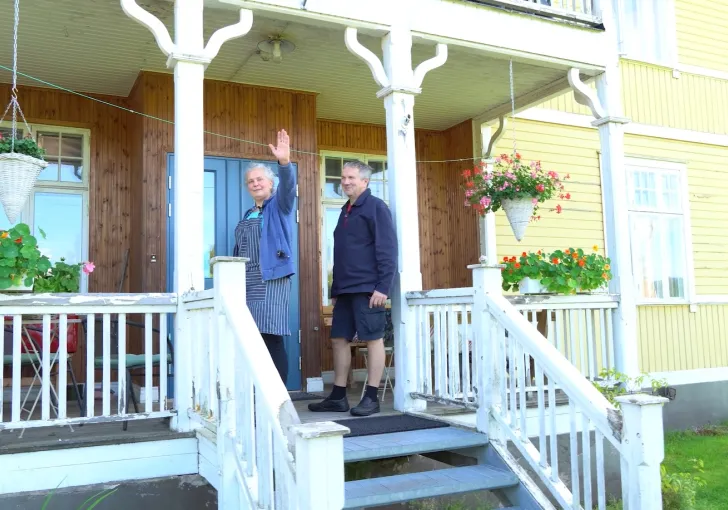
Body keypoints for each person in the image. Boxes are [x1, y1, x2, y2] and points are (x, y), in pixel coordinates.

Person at [309, 160, 397, 417]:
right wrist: (335, 290)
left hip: (369, 288)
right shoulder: (346, 210)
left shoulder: (376, 208)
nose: (345, 181)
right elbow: (341, 254)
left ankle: (371, 397)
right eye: (343, 177)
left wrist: (383, 287)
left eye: (351, 178)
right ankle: (338, 396)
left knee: (373, 338)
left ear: (365, 181)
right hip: (345, 289)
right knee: (338, 338)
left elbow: (388, 250)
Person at [233, 129, 296, 385]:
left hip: (272, 279)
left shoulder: (279, 206)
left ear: (271, 184)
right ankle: (257, 390)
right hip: (247, 282)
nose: (256, 183)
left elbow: (289, 186)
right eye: (251, 181)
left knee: (271, 335)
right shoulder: (248, 214)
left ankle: (278, 395)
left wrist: (284, 162)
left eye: (260, 179)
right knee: (252, 337)